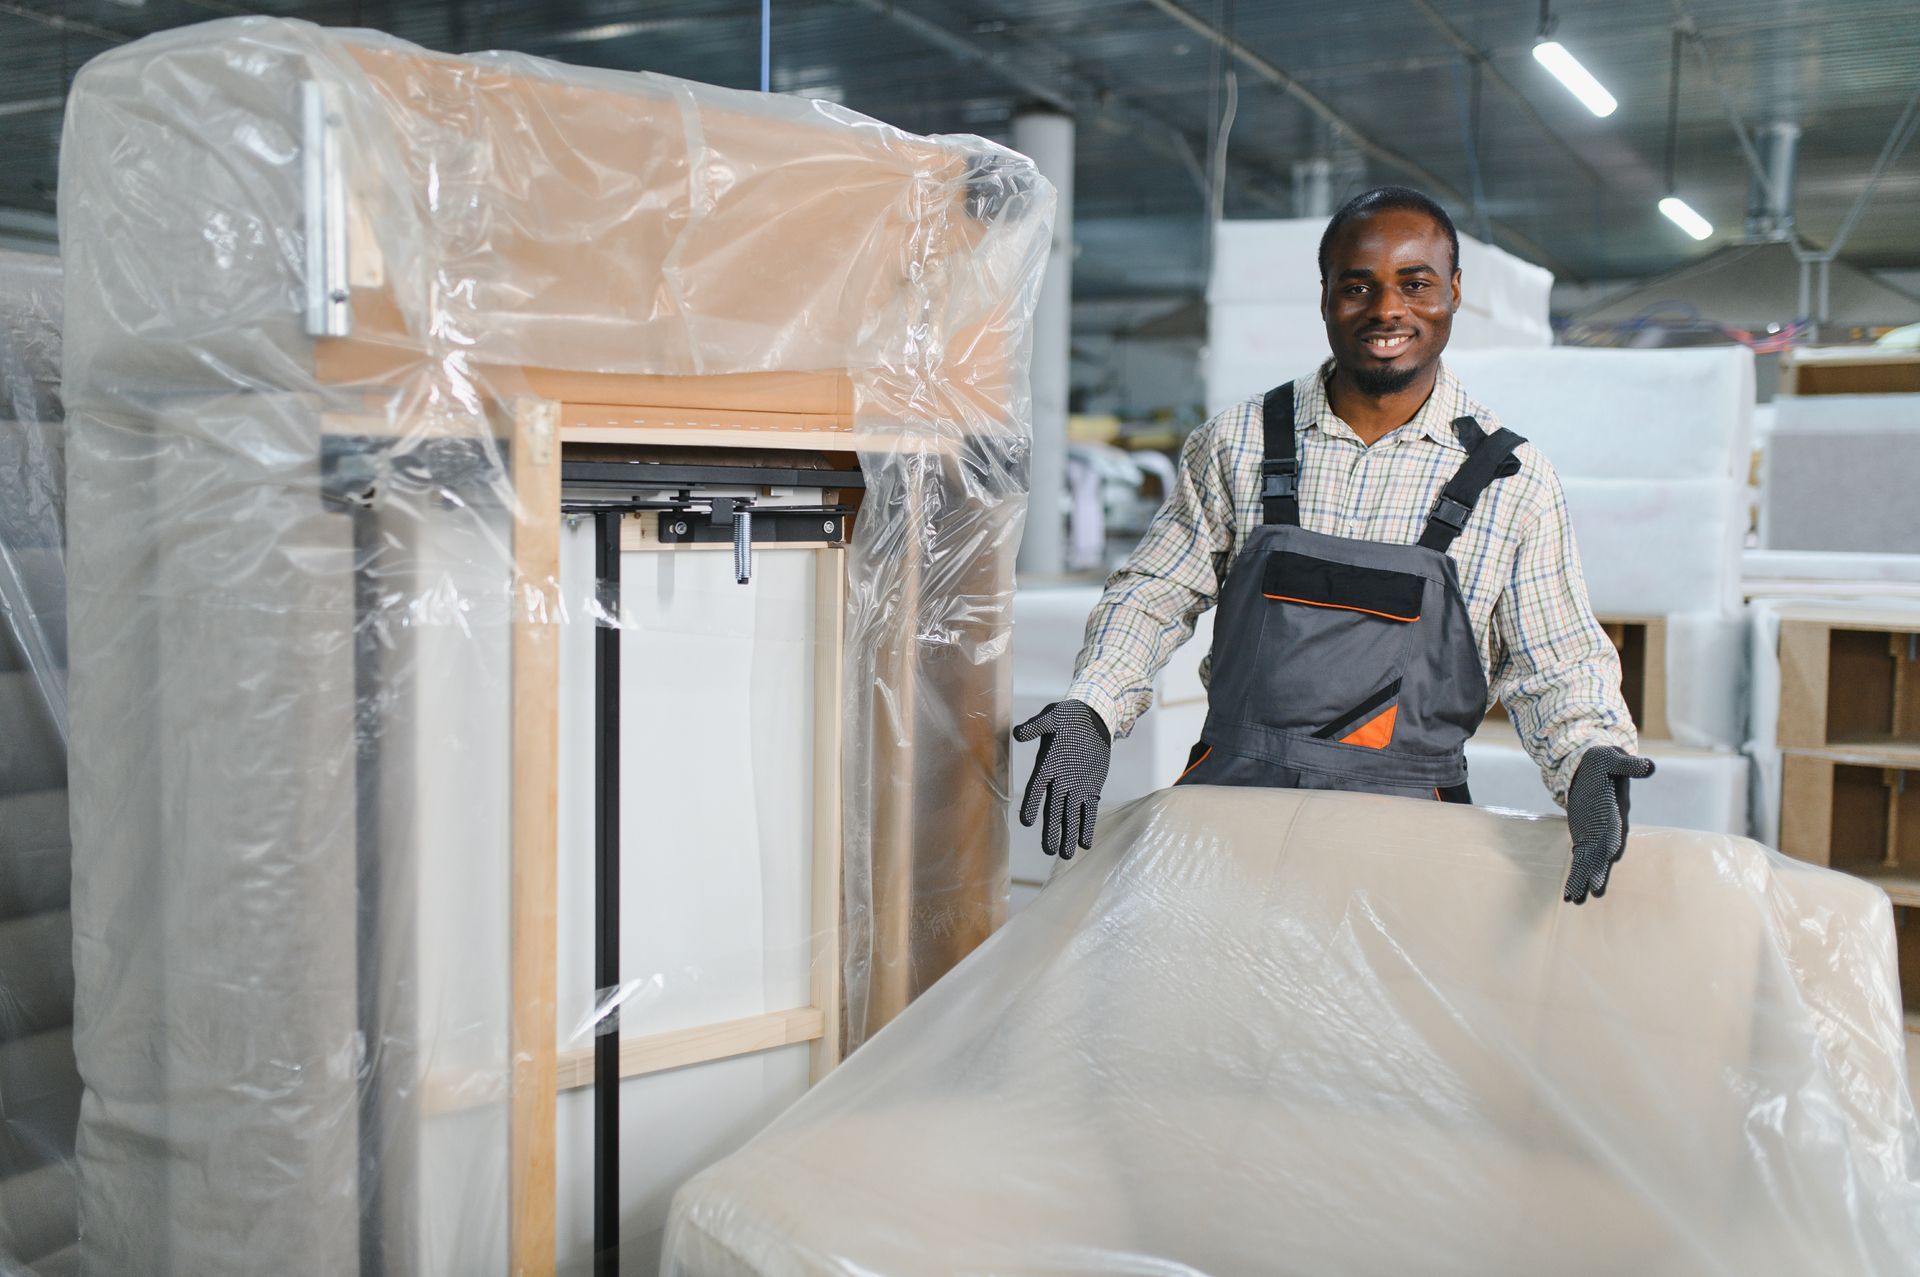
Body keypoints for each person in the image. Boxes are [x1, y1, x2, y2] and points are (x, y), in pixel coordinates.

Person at [1017, 186, 1650, 905]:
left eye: (1415, 284)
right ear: (1324, 296)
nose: (1387, 310)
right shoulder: (1241, 442)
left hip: (1408, 843)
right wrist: (1092, 705)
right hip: (1233, 824)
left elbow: (1557, 662)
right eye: (1359, 286)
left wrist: (1591, 757)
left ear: (1454, 292)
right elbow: (1155, 591)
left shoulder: (1510, 481)